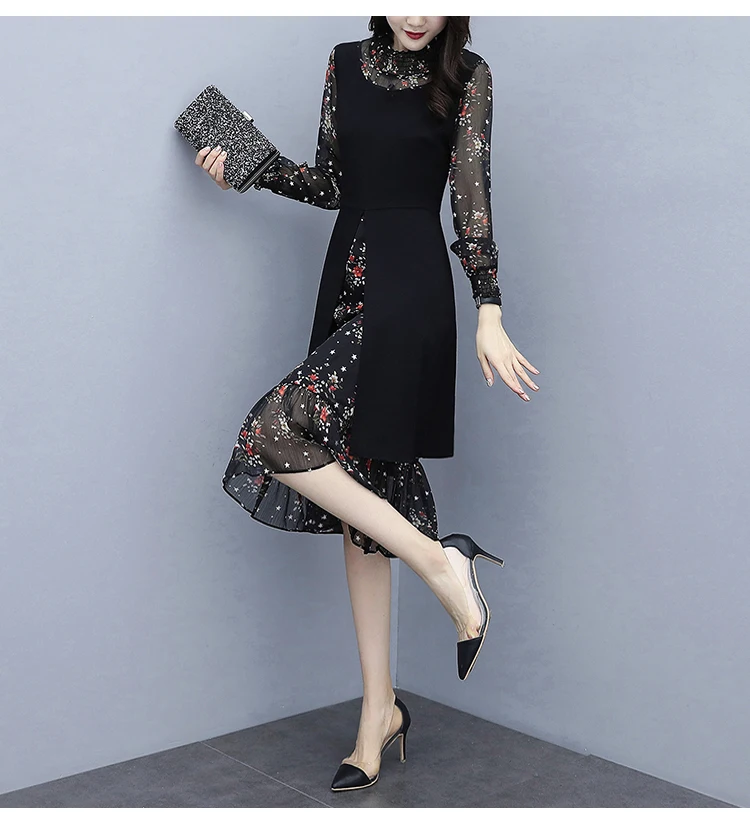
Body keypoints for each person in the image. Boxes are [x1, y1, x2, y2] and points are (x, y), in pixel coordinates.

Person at [194, 16, 539, 793]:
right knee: (365, 497)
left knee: (273, 431)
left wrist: (488, 307)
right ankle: (379, 710)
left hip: (410, 291)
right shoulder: (344, 64)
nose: (418, 14)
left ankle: (442, 561)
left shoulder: (468, 75)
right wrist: (247, 165)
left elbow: (471, 197)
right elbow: (331, 182)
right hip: (345, 284)